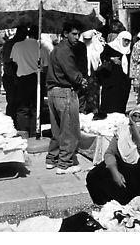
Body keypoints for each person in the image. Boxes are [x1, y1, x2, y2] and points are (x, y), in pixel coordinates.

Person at [86, 103, 140, 205]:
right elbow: (109, 153)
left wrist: (137, 135)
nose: (137, 120)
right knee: (94, 175)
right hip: (125, 170)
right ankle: (107, 205)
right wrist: (115, 172)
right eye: (134, 116)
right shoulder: (123, 130)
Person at [45, 22, 88, 175]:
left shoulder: (57, 49)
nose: (77, 37)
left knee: (58, 128)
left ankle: (52, 158)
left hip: (53, 92)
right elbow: (71, 72)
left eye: (78, 34)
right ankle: (65, 163)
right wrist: (81, 79)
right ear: (65, 34)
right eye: (74, 34)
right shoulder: (64, 50)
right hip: (64, 91)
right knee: (69, 129)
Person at [11, 26, 50, 137]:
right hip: (37, 79)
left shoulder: (17, 46)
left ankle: (23, 132)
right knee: (36, 108)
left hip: (22, 79)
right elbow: (46, 66)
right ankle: (34, 132)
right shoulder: (42, 47)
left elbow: (14, 62)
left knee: (22, 108)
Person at [97, 31, 132, 114]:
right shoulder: (110, 47)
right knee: (109, 100)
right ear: (120, 39)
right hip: (111, 79)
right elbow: (102, 57)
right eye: (125, 40)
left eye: (128, 41)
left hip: (124, 80)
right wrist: (112, 59)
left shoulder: (129, 50)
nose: (126, 42)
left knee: (121, 100)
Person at [1, 26, 28, 125]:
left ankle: (13, 122)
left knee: (14, 102)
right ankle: (12, 123)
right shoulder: (15, 44)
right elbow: (9, 62)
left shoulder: (10, 43)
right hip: (12, 76)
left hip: (14, 76)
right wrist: (15, 77)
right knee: (14, 102)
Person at [78, 30, 103, 114]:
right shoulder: (80, 46)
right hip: (83, 72)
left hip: (93, 73)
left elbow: (99, 57)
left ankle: (94, 109)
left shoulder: (96, 46)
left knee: (93, 91)